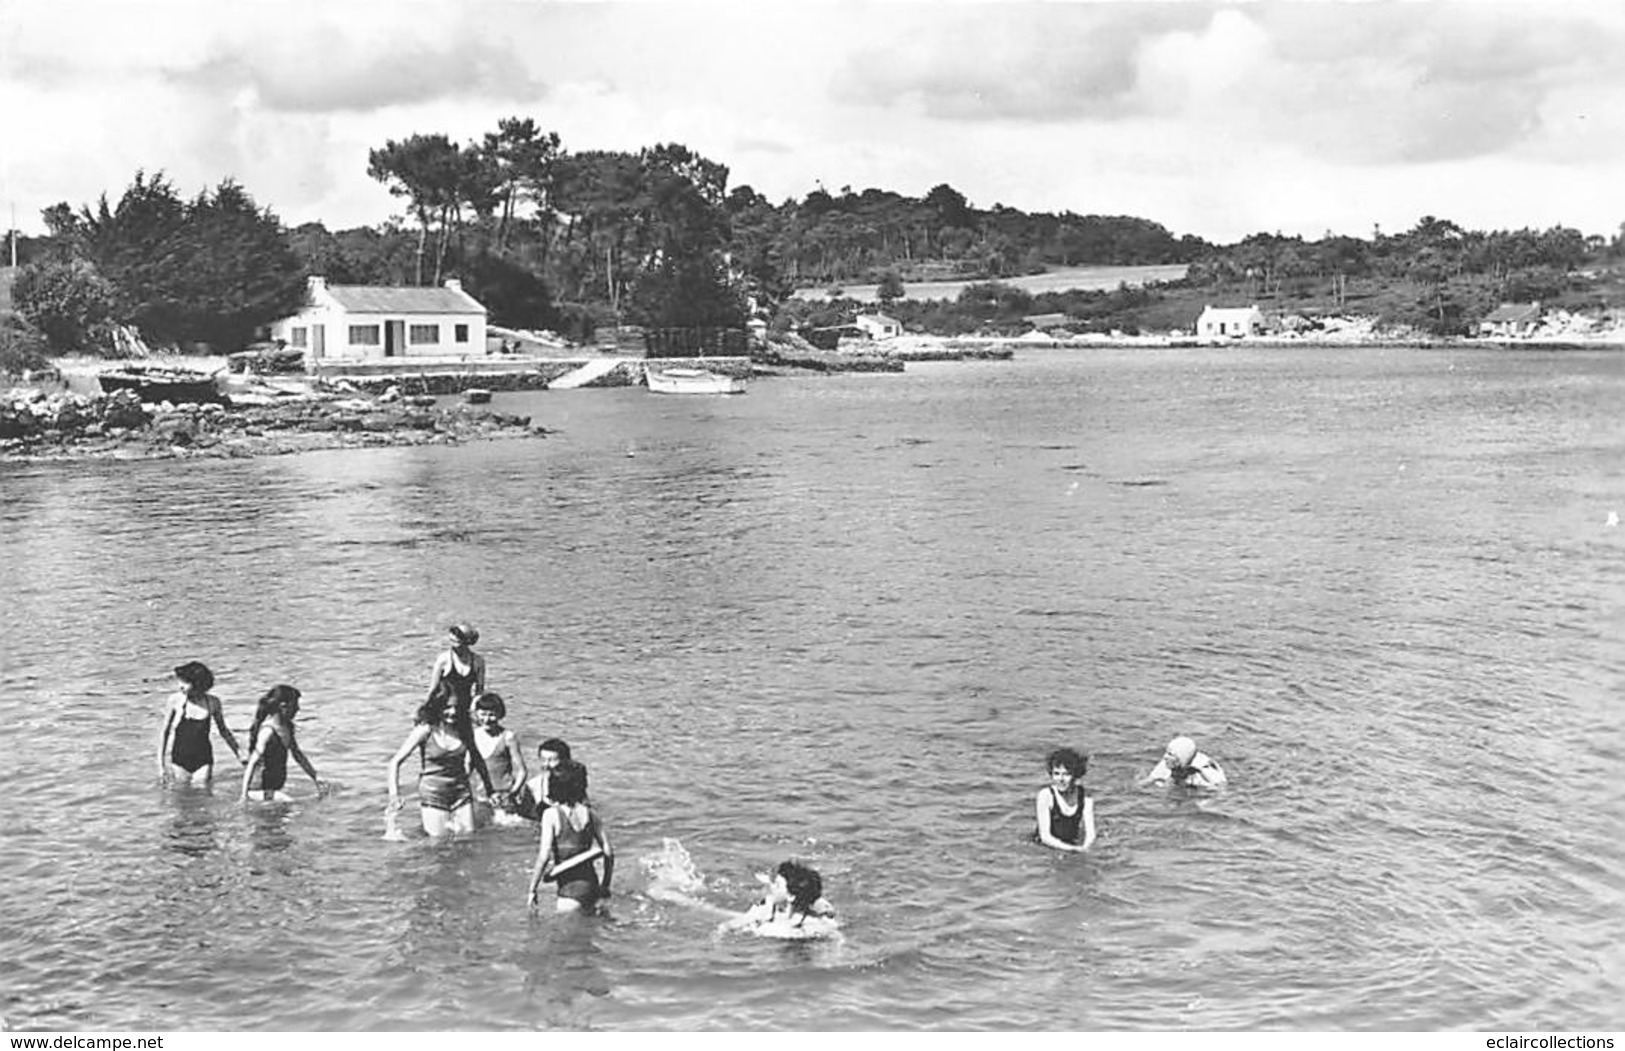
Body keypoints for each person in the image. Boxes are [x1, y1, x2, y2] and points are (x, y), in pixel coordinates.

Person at [386, 682, 497, 836]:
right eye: (447, 707)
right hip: (433, 793)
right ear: (438, 706)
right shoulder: (425, 730)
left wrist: (491, 790)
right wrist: (394, 795)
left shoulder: (464, 729)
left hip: (461, 790)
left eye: (456, 707)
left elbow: (477, 759)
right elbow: (395, 762)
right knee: (439, 844)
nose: (452, 712)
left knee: (469, 839)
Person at [526, 760, 614, 914]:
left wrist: (532, 889)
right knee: (587, 935)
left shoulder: (551, 815)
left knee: (563, 937)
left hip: (569, 891)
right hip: (591, 886)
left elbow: (544, 857)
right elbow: (608, 851)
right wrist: (605, 885)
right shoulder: (591, 814)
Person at [157, 661, 243, 786]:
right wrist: (161, 765)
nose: (180, 686)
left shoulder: (213, 703)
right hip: (180, 759)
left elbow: (224, 732)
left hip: (203, 758)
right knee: (182, 794)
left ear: (198, 684)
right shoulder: (175, 700)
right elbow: (164, 732)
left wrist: (240, 755)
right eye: (180, 681)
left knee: (202, 793)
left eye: (185, 682)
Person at [239, 684, 325, 802]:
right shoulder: (268, 731)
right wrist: (244, 795)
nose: (298, 709)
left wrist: (315, 777)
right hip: (258, 789)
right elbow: (252, 763)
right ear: (283, 706)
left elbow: (298, 755)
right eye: (295, 705)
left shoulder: (288, 727)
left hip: (275, 786)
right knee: (291, 803)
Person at [719, 860, 837, 939]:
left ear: (791, 896)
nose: (772, 886)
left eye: (777, 885)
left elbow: (835, 937)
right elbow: (731, 925)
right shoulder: (767, 907)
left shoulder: (815, 923)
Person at [471, 691, 527, 822]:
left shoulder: (508, 737)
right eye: (483, 714)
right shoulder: (472, 736)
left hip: (504, 795)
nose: (486, 719)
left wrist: (513, 793)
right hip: (480, 796)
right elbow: (466, 769)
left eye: (491, 715)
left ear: (500, 714)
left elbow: (522, 771)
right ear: (477, 714)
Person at [1033, 747, 1096, 852]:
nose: (1061, 779)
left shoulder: (1085, 797)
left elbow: (1091, 833)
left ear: (1075, 775)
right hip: (1044, 848)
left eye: (1066, 774)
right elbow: (1045, 837)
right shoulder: (1045, 796)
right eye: (1056, 774)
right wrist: (1073, 849)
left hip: (1071, 844)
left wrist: (1086, 847)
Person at [428, 623, 486, 717]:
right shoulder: (443, 660)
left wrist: (474, 709)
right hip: (445, 708)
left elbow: (479, 691)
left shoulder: (478, 661)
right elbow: (433, 689)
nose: (454, 645)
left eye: (458, 641)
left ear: (467, 641)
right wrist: (426, 709)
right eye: (451, 640)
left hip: (466, 708)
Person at [517, 737, 572, 820]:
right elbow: (524, 817)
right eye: (543, 760)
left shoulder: (574, 783)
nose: (546, 764)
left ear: (565, 761)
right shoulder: (532, 785)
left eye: (552, 760)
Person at [1143, 735, 1227, 788]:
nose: (1164, 757)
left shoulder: (1206, 774)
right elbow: (1146, 782)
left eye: (1170, 754)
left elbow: (1220, 791)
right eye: (1167, 753)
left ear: (1181, 758)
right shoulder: (1167, 762)